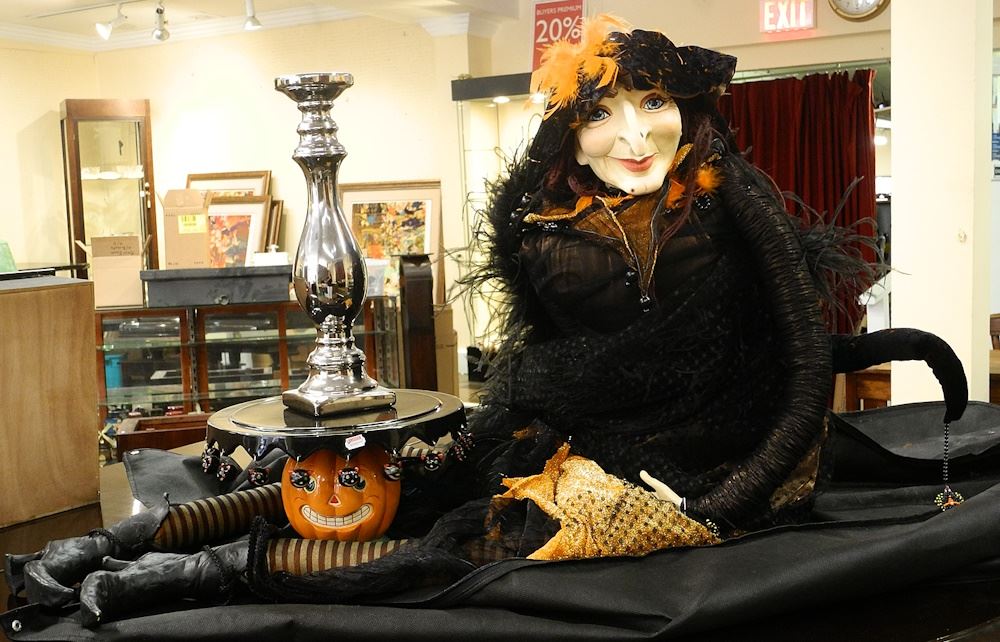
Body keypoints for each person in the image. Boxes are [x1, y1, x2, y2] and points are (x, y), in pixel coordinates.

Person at [3, 14, 979, 635]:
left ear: (687, 107)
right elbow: (539, 352)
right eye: (603, 112)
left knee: (454, 548)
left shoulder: (733, 197)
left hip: (701, 458)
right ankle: (127, 537)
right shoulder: (546, 222)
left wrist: (729, 501)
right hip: (574, 432)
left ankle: (197, 574)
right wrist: (498, 430)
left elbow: (805, 366)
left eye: (655, 101)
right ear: (571, 133)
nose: (636, 132)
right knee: (391, 484)